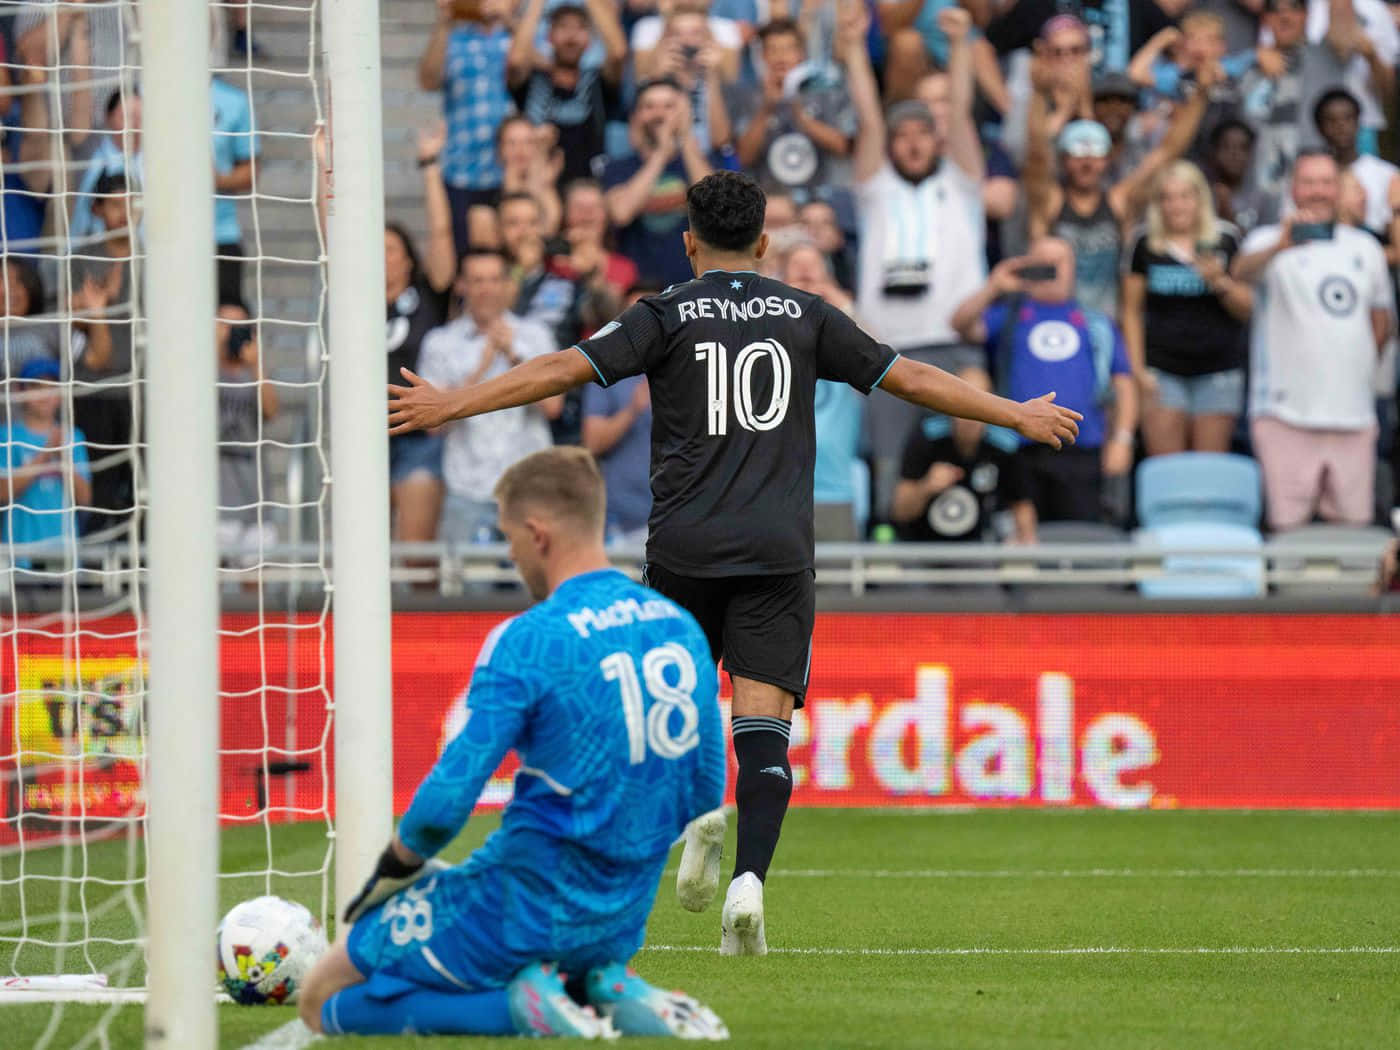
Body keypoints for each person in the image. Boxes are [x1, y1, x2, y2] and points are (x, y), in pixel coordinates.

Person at [387, 170, 1081, 952]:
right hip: (777, 549)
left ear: (688, 244)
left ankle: (694, 819)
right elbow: (908, 377)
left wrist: (452, 402)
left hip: (684, 547)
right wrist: (1013, 412)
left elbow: (562, 369)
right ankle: (749, 880)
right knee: (764, 729)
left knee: (671, 715)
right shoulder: (809, 314)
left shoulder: (663, 313)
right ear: (763, 244)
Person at [298, 447, 728, 1040]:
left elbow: (444, 804)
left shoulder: (529, 639)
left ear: (538, 533)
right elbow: (707, 786)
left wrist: (392, 872)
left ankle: (522, 1012)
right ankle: (602, 987)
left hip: (519, 907)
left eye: (508, 537)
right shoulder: (678, 625)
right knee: (547, 956)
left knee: (322, 995)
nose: (509, 553)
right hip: (621, 922)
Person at [845, 5, 990, 521]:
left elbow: (964, 109)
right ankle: (884, 561)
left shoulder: (961, 184)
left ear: (938, 139)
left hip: (951, 344)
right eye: (901, 135)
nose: (912, 143)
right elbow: (866, 115)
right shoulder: (876, 191)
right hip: (887, 351)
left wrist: (958, 49)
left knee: (962, 457)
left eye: (922, 134)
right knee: (890, 465)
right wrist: (854, 50)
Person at [1232, 149, 1394, 531]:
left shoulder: (1366, 247)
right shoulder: (1267, 239)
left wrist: (1358, 369)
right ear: (1293, 188)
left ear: (1339, 189)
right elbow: (1237, 274)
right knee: (1287, 529)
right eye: (1308, 182)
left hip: (1353, 414)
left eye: (1326, 182)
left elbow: (1381, 321)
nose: (1317, 191)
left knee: (1354, 528)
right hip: (1284, 414)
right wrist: (1280, 247)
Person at [951, 236, 1136, 530]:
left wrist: (1122, 440)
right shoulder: (1009, 316)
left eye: (1057, 263)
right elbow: (961, 325)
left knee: (1078, 538)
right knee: (1021, 541)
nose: (1050, 270)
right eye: (1042, 263)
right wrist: (994, 287)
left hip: (1081, 447)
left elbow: (1124, 385)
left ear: (1073, 269)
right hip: (1017, 448)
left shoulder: (1096, 323)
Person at [1025, 58, 1213, 321]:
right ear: (1064, 160)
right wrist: (1037, 94)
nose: (1087, 163)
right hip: (1055, 323)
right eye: (1078, 154)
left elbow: (1167, 152)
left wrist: (1201, 94)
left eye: (1095, 155)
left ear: (1106, 160)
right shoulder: (1051, 202)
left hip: (1108, 324)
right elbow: (1036, 156)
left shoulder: (1118, 201)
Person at [415, 250, 563, 547]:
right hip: (467, 490)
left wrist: (513, 355)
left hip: (529, 487)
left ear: (507, 285)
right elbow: (432, 425)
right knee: (467, 591)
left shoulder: (535, 336)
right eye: (478, 280)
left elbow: (553, 407)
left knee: (533, 589)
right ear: (461, 286)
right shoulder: (440, 342)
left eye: (495, 280)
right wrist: (480, 368)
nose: (486, 289)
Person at [1122, 160, 1252, 455]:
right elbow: (1130, 310)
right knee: (1168, 471)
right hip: (1162, 371)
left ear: (1200, 199)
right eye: (1166, 197)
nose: (1176, 206)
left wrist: (1220, 282)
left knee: (1208, 469)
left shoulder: (1226, 238)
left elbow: (1247, 309)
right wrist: (1138, 370)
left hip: (1218, 370)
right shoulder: (1144, 243)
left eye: (1184, 196)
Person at [601, 78, 722, 289]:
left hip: (695, 287)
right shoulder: (618, 167)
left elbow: (715, 206)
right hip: (639, 291)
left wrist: (684, 137)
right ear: (635, 116)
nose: (659, 114)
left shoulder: (704, 162)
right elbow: (620, 213)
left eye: (669, 106)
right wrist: (661, 154)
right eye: (649, 106)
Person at [418, 0, 514, 256]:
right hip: (460, 168)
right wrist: (444, 23)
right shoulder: (454, 39)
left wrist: (510, 20)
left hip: (508, 169)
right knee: (458, 255)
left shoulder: (516, 36)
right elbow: (427, 80)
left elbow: (532, 67)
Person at [892, 370, 1032, 544]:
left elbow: (1022, 506)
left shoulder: (1005, 445)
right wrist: (926, 487)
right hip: (924, 549)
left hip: (981, 553)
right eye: (963, 400)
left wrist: (1026, 552)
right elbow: (900, 511)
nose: (970, 412)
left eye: (979, 402)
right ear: (949, 400)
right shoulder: (927, 435)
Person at [1237, 0, 1351, 201]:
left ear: (1307, 14)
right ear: (1265, 19)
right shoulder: (1248, 67)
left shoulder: (1329, 54)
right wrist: (1252, 56)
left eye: (1294, 8)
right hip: (1261, 196)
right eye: (1275, 10)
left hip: (1319, 191)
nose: (1285, 16)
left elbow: (1343, 17)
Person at [730, 18, 856, 201]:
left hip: (821, 202)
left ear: (802, 54)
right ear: (762, 56)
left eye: (789, 49)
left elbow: (844, 147)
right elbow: (742, 158)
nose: (781, 57)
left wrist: (800, 114)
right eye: (773, 50)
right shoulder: (748, 97)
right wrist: (766, 109)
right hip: (770, 203)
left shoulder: (827, 93)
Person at [507, 0, 626, 185]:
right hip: (536, 187)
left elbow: (618, 53)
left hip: (587, 193)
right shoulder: (532, 81)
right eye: (562, 27)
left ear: (589, 40)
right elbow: (516, 59)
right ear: (549, 37)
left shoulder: (596, 82)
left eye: (580, 28)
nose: (571, 36)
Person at [0, 358, 91, 569]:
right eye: (35, 386)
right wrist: (46, 452)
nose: (44, 394)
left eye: (51, 387)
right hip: (20, 557)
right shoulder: (7, 436)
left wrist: (62, 458)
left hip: (64, 555)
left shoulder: (73, 437)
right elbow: (3, 492)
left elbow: (85, 498)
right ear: (19, 391)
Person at [215, 301, 279, 563]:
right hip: (214, 501)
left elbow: (272, 411)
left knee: (256, 594)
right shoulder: (199, 371)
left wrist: (256, 366)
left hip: (254, 498)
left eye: (239, 325)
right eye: (224, 324)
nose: (232, 331)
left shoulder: (254, 374)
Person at [1313, 87, 1400, 248]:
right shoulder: (1310, 176)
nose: (1341, 126)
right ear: (1319, 127)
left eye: (1348, 118)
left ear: (1359, 121)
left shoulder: (1387, 175)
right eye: (1331, 120)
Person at [211, 73, 259, 305]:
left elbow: (250, 171)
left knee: (227, 324)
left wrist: (214, 179)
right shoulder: (153, 93)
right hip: (160, 236)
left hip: (220, 234)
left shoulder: (233, 101)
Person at [1206, 118, 1280, 233]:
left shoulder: (1264, 199)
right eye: (1226, 146)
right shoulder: (1201, 194)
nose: (1234, 154)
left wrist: (1227, 213)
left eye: (1243, 147)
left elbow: (1266, 243)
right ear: (1214, 152)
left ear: (1252, 153)